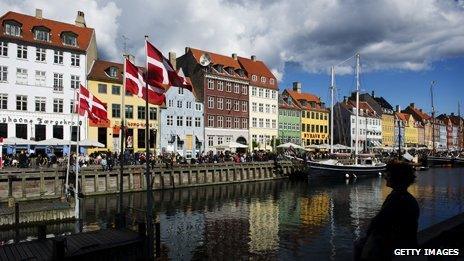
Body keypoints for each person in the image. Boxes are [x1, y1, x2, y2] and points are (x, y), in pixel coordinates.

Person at [354, 161, 419, 260]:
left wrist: (367, 239)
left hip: (394, 249)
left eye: (388, 174)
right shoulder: (409, 199)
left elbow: (379, 222)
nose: (385, 177)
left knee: (359, 247)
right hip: (408, 246)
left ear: (397, 177)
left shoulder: (396, 199)